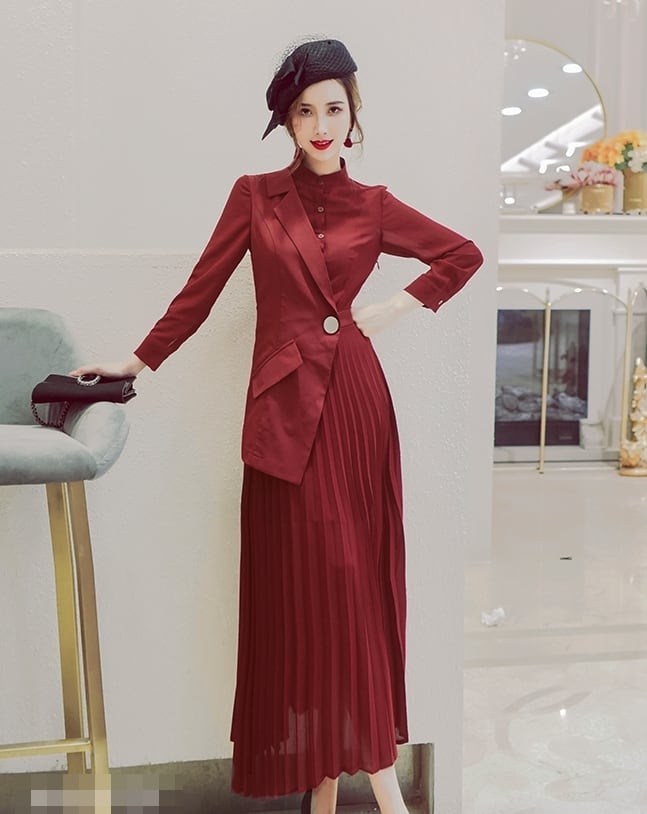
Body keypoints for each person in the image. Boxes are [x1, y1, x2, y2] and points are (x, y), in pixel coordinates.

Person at [72, 37, 483, 814]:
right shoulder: (255, 196)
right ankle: (332, 782)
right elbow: (200, 289)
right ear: (286, 123)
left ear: (353, 117)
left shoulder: (374, 205)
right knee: (305, 595)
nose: (320, 125)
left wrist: (393, 308)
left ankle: (370, 779)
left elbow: (460, 256)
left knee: (355, 586)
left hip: (355, 405)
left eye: (333, 108)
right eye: (303, 112)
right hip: (283, 415)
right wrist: (137, 360)